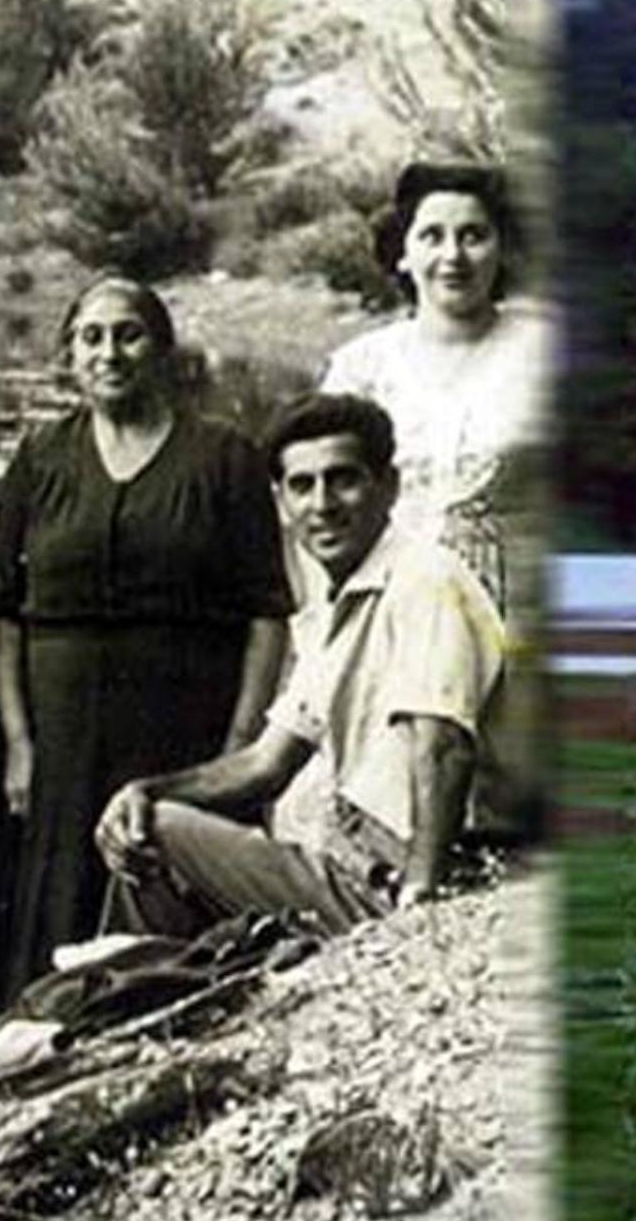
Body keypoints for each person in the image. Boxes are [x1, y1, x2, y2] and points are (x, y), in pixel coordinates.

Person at [92, 393, 504, 936]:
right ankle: (128, 991)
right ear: (281, 501)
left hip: (421, 874)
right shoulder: (342, 600)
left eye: (344, 479)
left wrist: (420, 908)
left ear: (390, 486)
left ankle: (119, 988)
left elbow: (443, 745)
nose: (322, 504)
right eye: (301, 485)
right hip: (361, 862)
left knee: (159, 833)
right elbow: (266, 764)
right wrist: (146, 790)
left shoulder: (424, 579)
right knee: (146, 820)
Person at [0, 277, 292, 995]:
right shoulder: (40, 457)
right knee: (54, 910)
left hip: (180, 729)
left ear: (162, 350)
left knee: (160, 891)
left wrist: (240, 746)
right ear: (69, 354)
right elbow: (4, 616)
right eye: (90, 337)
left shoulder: (223, 458)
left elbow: (268, 614)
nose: (109, 353)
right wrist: (20, 745)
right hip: (62, 740)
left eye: (128, 334)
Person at [319, 161, 552, 606]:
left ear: (502, 248)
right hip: (395, 612)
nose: (453, 256)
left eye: (473, 235)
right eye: (432, 236)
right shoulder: (359, 369)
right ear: (403, 253)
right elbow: (321, 507)